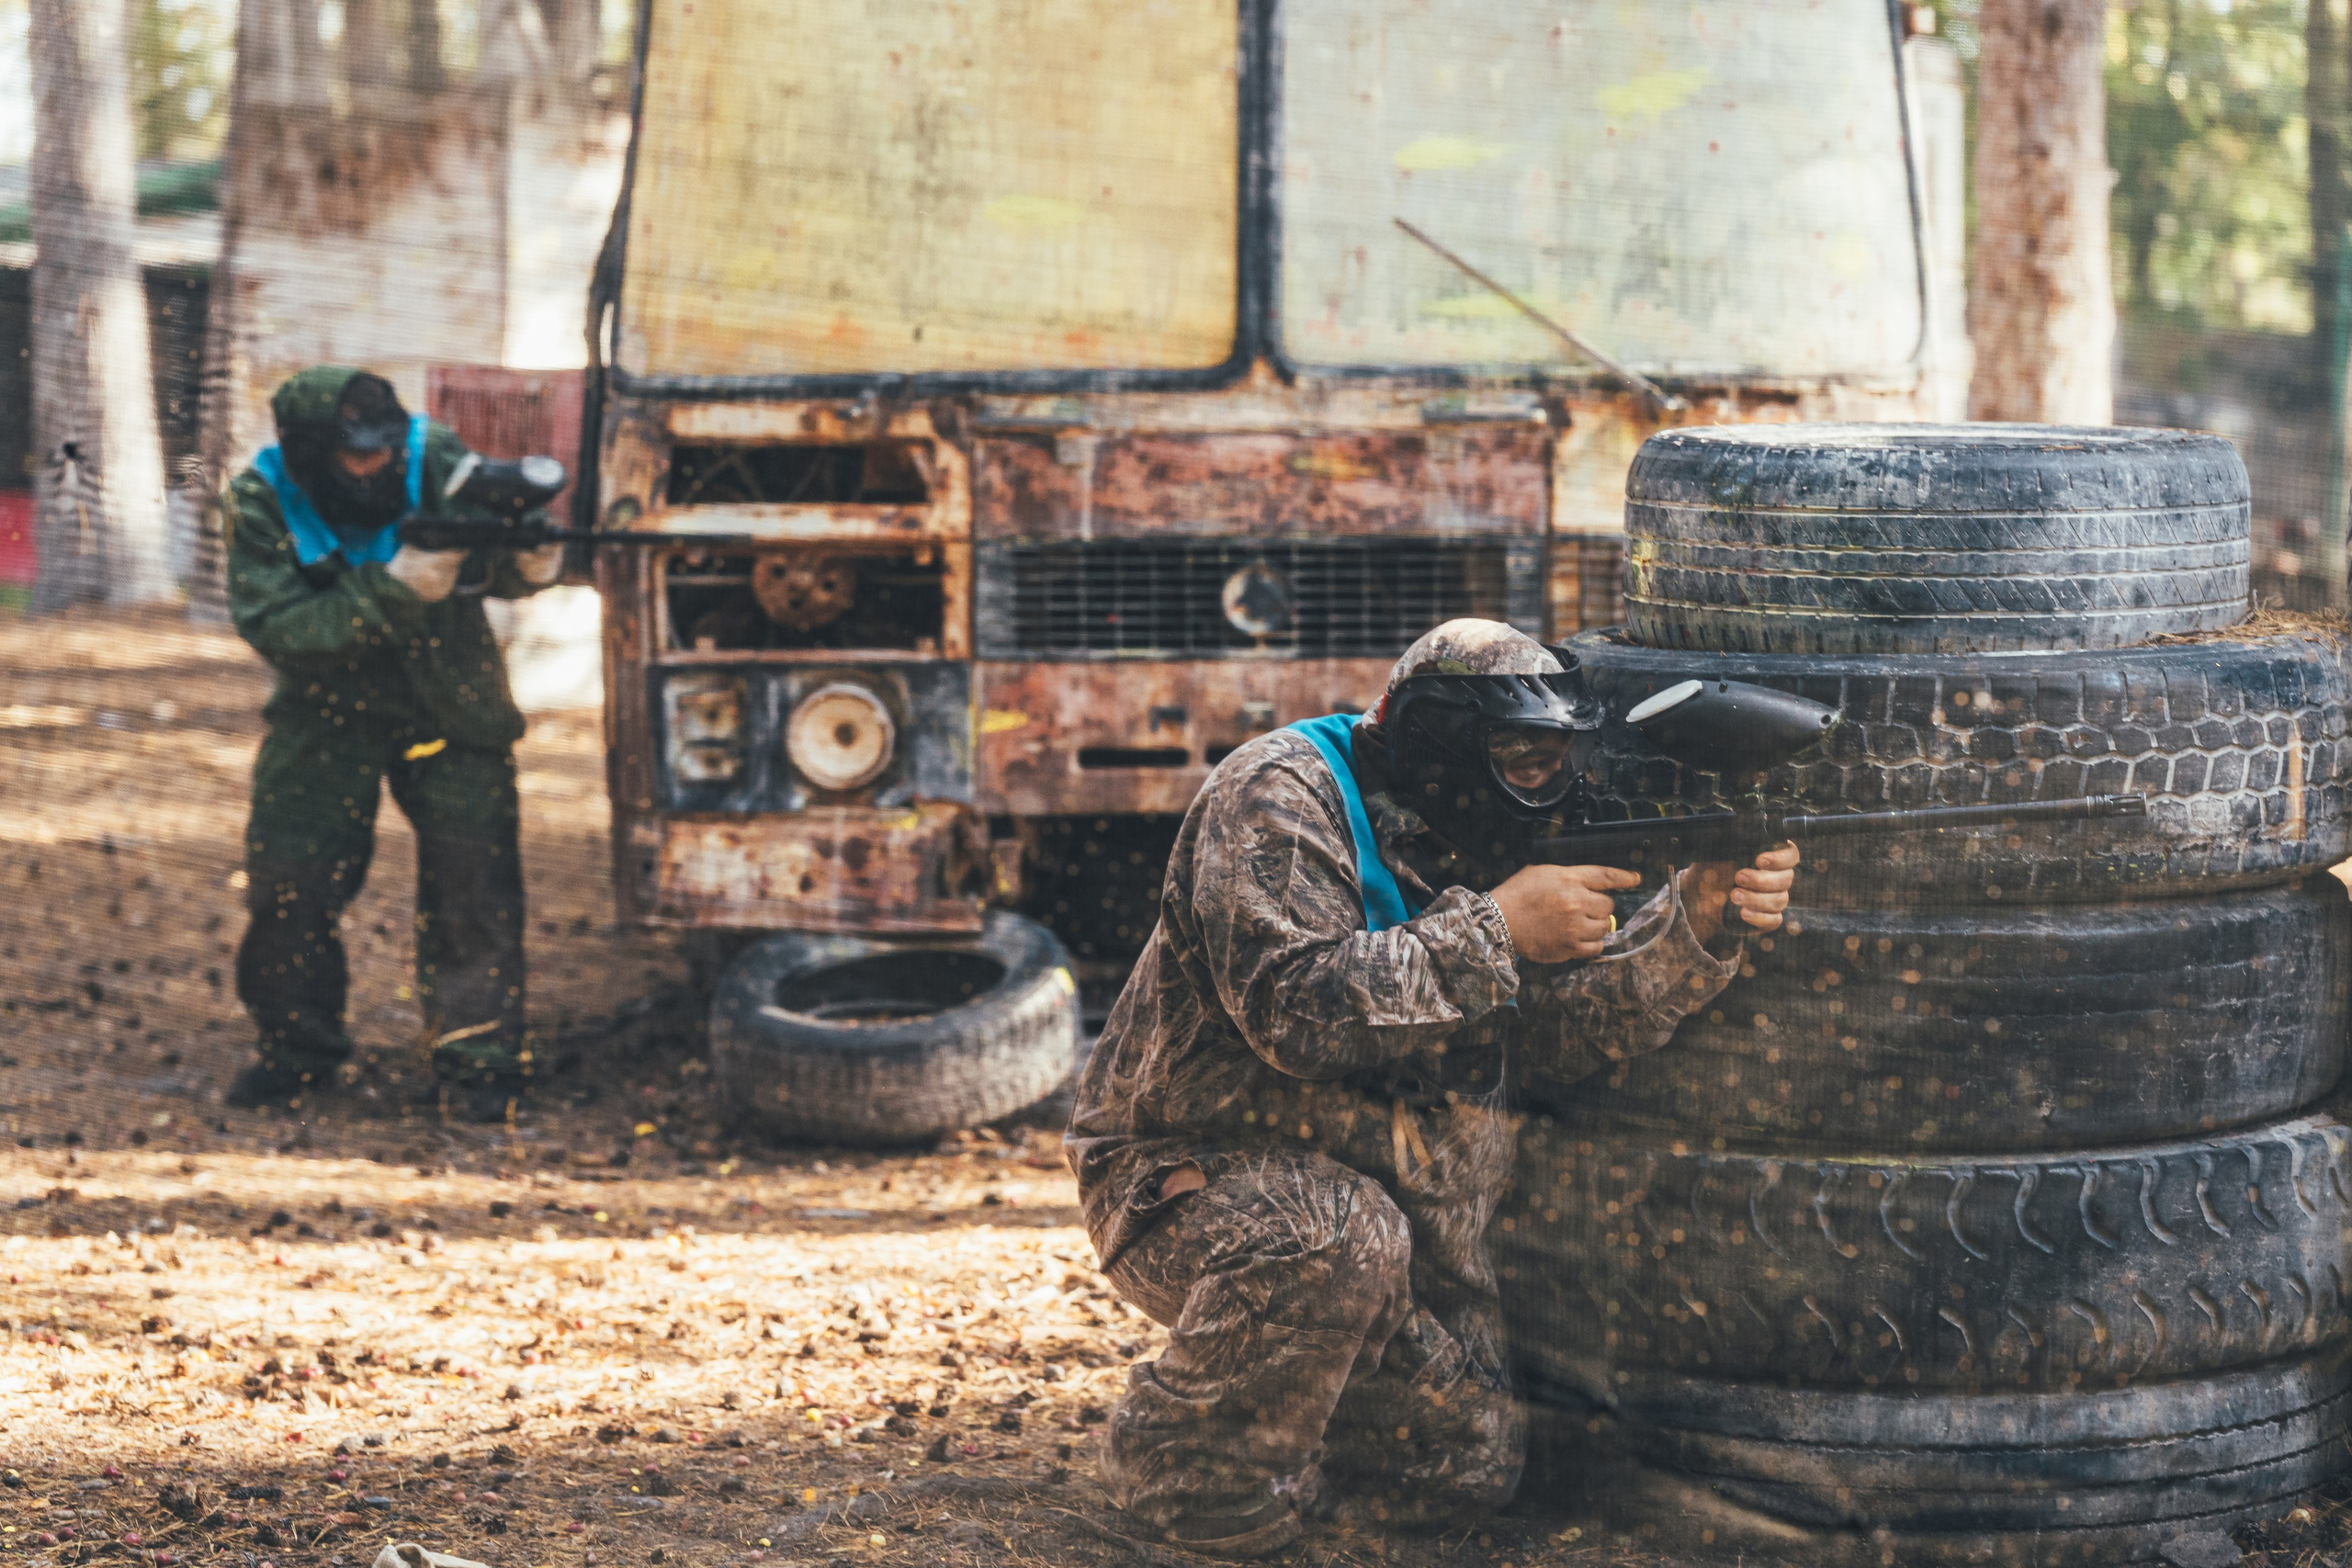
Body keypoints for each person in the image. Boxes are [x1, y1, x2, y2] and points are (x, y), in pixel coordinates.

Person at [1065, 619, 1799, 1557]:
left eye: (1558, 758)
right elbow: (1290, 1012)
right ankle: (1184, 1473)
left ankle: (1297, 1404)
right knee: (1331, 1238)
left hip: (1399, 1187)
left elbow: (1548, 1041)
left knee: (1459, 1463)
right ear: (1442, 745)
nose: (1546, 784)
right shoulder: (1280, 793)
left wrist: (1693, 925)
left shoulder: (1493, 826)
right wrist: (1496, 930)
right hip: (1193, 1170)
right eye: (1523, 759)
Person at [222, 367, 566, 1122]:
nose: (376, 464)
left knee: (474, 882)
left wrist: (530, 564)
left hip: (451, 699)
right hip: (327, 706)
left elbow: (494, 552)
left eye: (382, 448)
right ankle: (296, 1052)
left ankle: (479, 1061)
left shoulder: (431, 455)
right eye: (355, 454)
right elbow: (280, 628)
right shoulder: (260, 498)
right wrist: (395, 587)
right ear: (312, 449)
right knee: (291, 879)